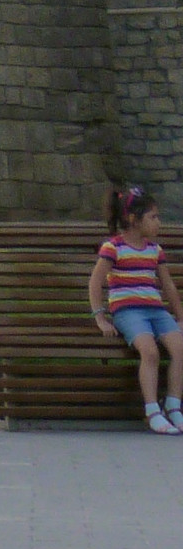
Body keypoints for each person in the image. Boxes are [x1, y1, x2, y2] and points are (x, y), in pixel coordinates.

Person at [89, 184, 183, 434]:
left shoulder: (155, 250)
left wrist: (179, 317)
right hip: (128, 312)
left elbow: (168, 285)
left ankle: (174, 406)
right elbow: (96, 282)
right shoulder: (114, 247)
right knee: (150, 352)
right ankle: (152, 410)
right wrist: (101, 318)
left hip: (156, 311)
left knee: (179, 349)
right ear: (133, 219)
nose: (158, 222)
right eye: (153, 217)